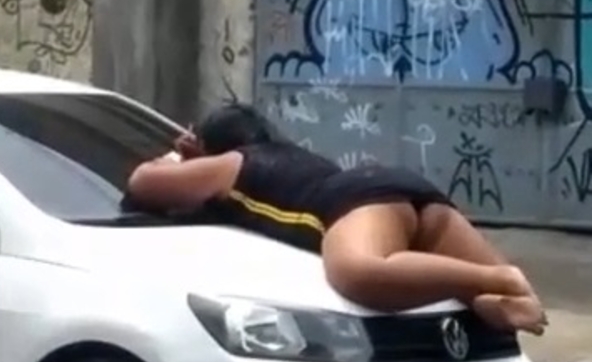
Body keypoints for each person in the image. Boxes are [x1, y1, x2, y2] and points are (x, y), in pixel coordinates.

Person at [127, 103, 547, 335]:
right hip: (415, 199)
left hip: (359, 202)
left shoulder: (230, 165)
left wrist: (179, 157)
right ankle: (504, 293)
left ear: (208, 147)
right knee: (507, 303)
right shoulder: (291, 157)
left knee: (356, 272)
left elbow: (142, 182)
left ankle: (494, 279)